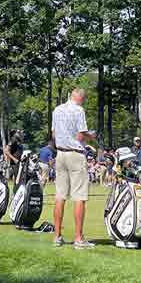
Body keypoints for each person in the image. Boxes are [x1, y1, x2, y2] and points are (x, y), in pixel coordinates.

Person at [51, 89, 94, 248]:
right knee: (79, 197)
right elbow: (81, 135)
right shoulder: (79, 110)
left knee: (60, 196)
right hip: (75, 154)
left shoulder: (57, 109)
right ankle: (78, 238)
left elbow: (54, 134)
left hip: (60, 154)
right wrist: (91, 136)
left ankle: (57, 236)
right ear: (80, 98)